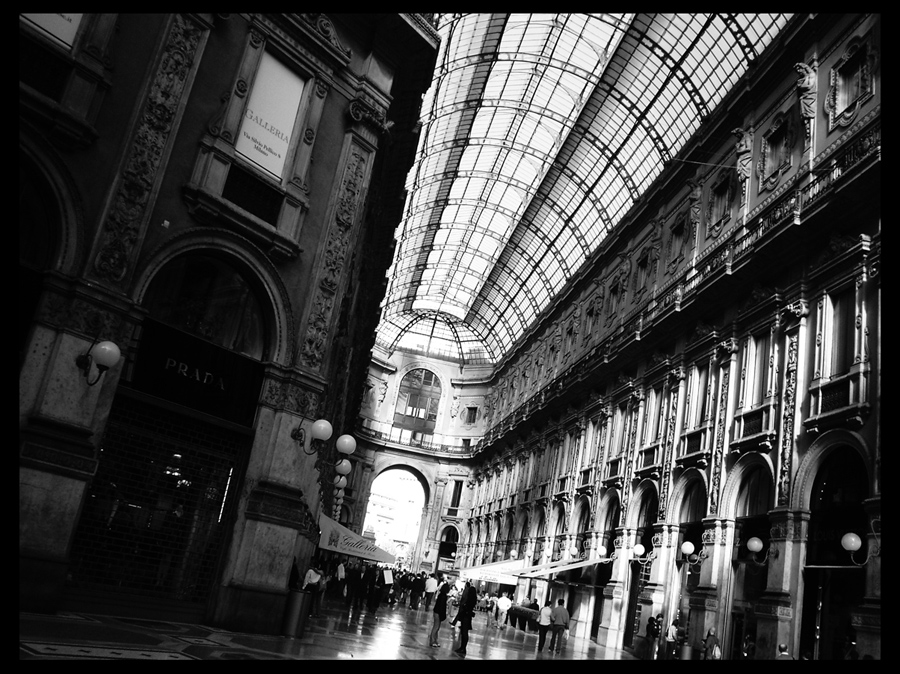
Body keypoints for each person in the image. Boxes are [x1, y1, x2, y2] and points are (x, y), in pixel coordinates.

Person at [453, 580, 477, 656]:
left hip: (466, 616)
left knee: (464, 632)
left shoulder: (469, 602)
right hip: (468, 616)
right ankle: (462, 647)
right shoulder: (473, 601)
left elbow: (466, 607)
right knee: (464, 632)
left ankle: (463, 648)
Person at [430, 582, 451, 647]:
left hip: (437, 611)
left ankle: (435, 640)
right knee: (436, 627)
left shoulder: (441, 595)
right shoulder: (443, 596)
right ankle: (432, 640)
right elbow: (442, 606)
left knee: (437, 627)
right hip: (438, 612)